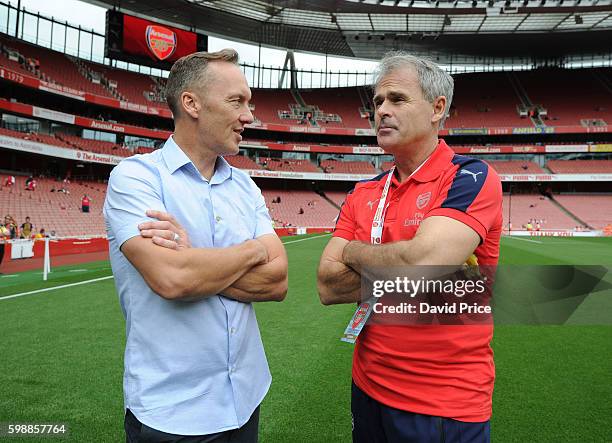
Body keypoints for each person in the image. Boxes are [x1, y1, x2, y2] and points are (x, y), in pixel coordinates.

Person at [103, 49, 288, 442]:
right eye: (237, 101)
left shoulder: (246, 186)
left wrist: (194, 261)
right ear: (192, 103)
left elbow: (277, 281)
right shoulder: (136, 179)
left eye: (249, 103)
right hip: (172, 411)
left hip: (246, 396)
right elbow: (173, 279)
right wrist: (253, 252)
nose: (249, 116)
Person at [317, 52, 502, 442]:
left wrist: (353, 252)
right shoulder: (364, 191)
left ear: (437, 109)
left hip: (442, 400)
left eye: (397, 99)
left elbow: (423, 262)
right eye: (377, 101)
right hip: (367, 385)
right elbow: (327, 285)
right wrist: (411, 268)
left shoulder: (470, 177)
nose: (382, 110)